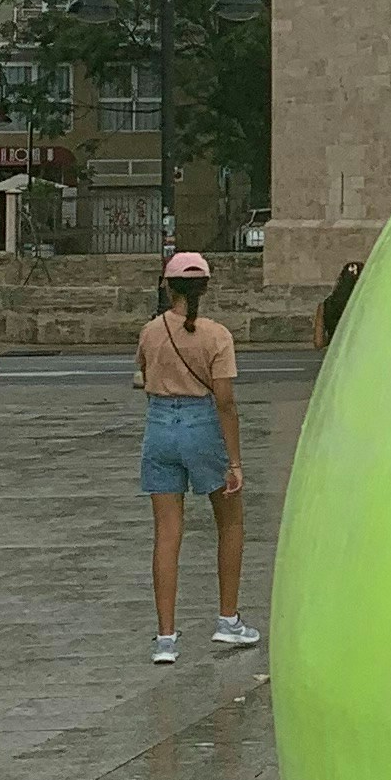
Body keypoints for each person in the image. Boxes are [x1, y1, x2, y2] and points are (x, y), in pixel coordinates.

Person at [137, 251, 258, 664]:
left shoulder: (150, 331)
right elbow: (225, 400)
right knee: (230, 521)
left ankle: (165, 637)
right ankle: (228, 618)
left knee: (166, 532)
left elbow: (143, 377)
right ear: (205, 289)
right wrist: (235, 460)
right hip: (202, 423)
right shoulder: (216, 335)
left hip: (159, 425)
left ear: (167, 286)